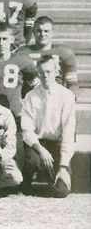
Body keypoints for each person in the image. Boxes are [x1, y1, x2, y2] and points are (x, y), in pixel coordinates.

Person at [21, 55, 76, 198]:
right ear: (37, 73)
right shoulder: (30, 96)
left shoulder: (67, 96)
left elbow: (69, 133)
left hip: (57, 144)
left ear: (57, 71)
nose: (45, 76)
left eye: (48, 72)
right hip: (38, 144)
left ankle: (52, 176)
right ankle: (32, 176)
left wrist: (63, 166)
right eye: (41, 72)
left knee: (61, 191)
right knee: (33, 164)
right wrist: (40, 150)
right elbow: (27, 131)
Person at [17, 16, 79, 95]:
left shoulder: (64, 52)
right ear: (33, 32)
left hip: (56, 98)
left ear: (53, 33)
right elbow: (17, 83)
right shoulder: (23, 52)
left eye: (46, 31)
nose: (42, 34)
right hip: (30, 99)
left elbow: (72, 83)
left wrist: (70, 100)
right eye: (39, 31)